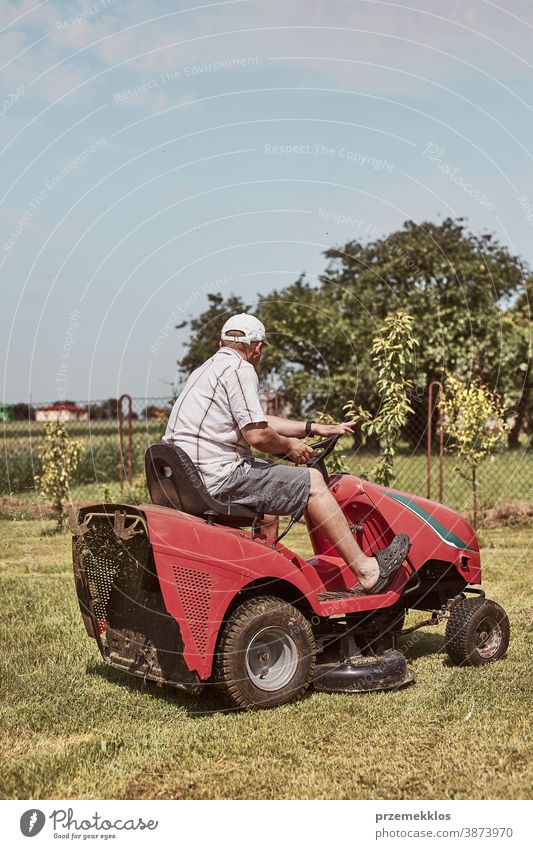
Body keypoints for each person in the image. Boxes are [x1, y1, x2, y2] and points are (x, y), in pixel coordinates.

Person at [163, 313, 409, 594]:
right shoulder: (240, 370)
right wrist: (290, 447)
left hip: (189, 480)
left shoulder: (207, 370)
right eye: (261, 349)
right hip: (218, 478)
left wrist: (312, 428)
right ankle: (368, 572)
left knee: (268, 512)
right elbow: (257, 435)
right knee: (314, 483)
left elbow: (257, 419)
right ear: (256, 347)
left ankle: (264, 581)